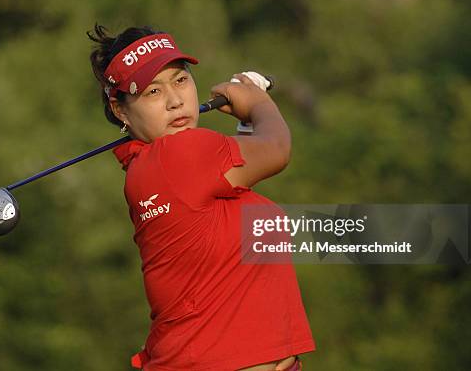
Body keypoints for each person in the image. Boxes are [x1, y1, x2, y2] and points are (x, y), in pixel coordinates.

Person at [87, 24, 315, 371]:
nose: (175, 100)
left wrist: (245, 125)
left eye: (181, 80)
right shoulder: (178, 155)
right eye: (152, 91)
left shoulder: (150, 168)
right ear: (120, 110)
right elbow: (277, 149)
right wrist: (258, 103)